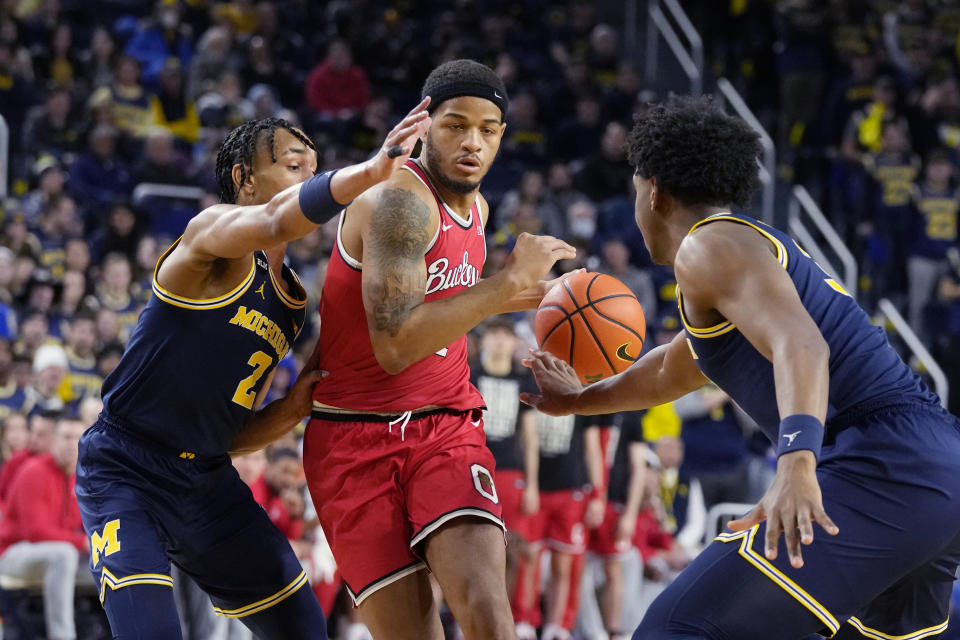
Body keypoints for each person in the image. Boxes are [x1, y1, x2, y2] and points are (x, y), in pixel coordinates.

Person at [522, 95, 960, 640]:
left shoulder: (708, 246)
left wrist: (795, 465)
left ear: (654, 192)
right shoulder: (739, 255)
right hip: (929, 464)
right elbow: (669, 371)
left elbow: (802, 345)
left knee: (677, 629)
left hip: (879, 461)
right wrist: (579, 400)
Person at [73, 101, 433, 640]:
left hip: (205, 479)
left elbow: (233, 432)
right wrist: (371, 169)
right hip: (125, 468)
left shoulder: (290, 303)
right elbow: (272, 220)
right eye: (294, 166)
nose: (309, 179)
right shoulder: (212, 235)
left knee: (304, 628)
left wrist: (292, 407)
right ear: (244, 177)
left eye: (314, 169)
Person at [304, 59, 576, 640]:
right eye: (456, 125)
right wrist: (501, 286)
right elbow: (396, 344)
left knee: (486, 612)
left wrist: (524, 297)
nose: (472, 142)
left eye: (488, 129)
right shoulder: (396, 204)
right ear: (424, 125)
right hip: (352, 441)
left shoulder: (475, 208)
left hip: (445, 426)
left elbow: (449, 302)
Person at [0, 416, 88, 640]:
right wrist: (81, 542)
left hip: (55, 554)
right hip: (13, 553)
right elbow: (36, 532)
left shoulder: (80, 476)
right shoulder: (34, 471)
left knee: (110, 558)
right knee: (64, 554)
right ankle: (62, 636)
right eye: (66, 437)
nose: (71, 444)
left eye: (78, 438)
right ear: (54, 441)